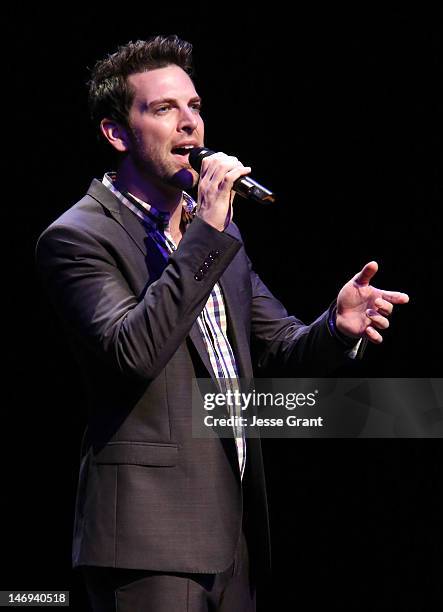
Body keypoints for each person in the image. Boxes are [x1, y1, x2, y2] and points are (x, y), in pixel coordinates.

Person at [35, 35, 409, 612]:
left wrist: (335, 327)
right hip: (148, 542)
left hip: (231, 536)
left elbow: (279, 344)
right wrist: (205, 234)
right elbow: (132, 352)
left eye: (195, 107)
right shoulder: (79, 237)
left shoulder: (214, 231)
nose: (189, 125)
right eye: (163, 109)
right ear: (116, 133)